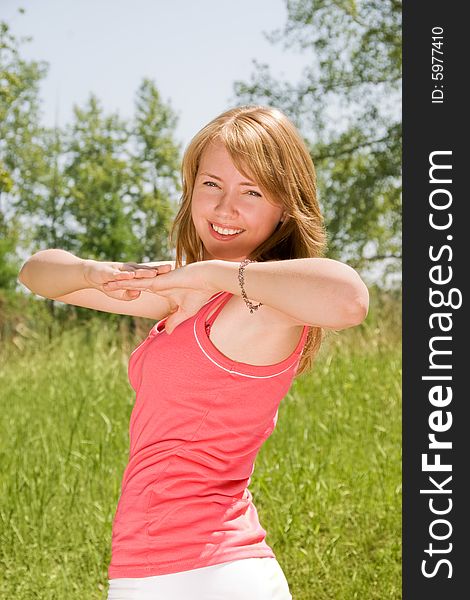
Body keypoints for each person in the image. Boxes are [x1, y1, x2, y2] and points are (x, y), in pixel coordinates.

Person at [18, 105, 369, 600]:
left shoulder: (261, 306)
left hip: (208, 571)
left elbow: (349, 298)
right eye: (211, 184)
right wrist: (92, 271)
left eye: (252, 191)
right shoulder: (181, 292)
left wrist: (208, 274)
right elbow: (36, 273)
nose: (225, 208)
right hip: (156, 566)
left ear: (284, 207)